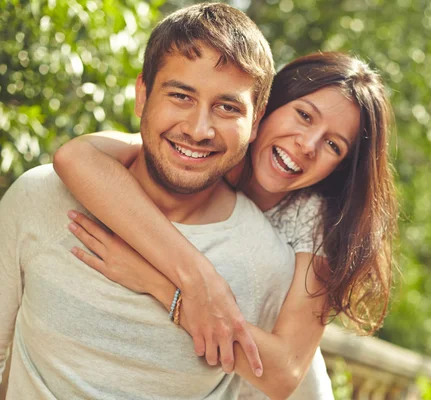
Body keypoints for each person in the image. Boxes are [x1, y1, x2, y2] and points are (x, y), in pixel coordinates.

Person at [0, 3, 306, 399]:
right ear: (142, 95)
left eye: (227, 107)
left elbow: (282, 379)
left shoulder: (268, 265)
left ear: (256, 123)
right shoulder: (40, 197)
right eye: (181, 96)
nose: (198, 129)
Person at [52, 50, 398, 398]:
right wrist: (197, 275)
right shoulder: (206, 151)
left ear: (339, 167)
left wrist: (160, 285)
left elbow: (283, 371)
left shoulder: (315, 220)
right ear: (266, 109)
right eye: (304, 115)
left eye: (333, 145)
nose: (308, 146)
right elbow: (76, 156)